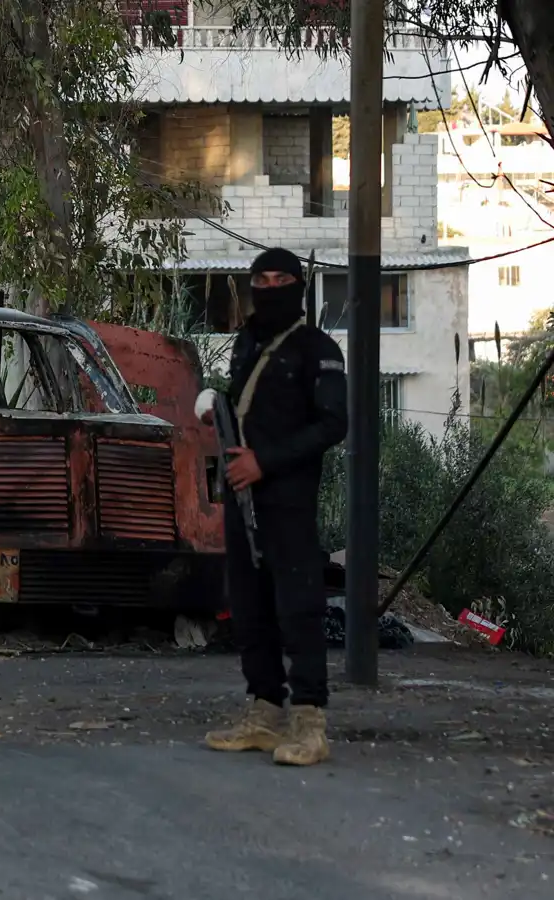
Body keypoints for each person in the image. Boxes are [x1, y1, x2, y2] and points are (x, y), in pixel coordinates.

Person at [201, 247, 348, 767]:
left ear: (298, 285)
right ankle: (264, 712)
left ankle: (309, 721)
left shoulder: (317, 349)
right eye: (260, 279)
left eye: (280, 278)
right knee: (248, 605)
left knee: (298, 608)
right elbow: (247, 407)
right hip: (242, 496)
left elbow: (333, 425)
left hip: (287, 499)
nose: (269, 287)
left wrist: (266, 461)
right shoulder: (247, 343)